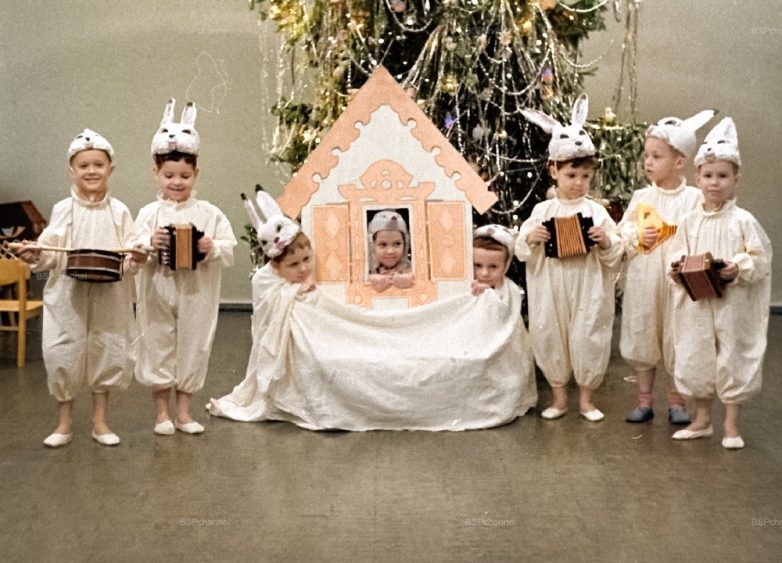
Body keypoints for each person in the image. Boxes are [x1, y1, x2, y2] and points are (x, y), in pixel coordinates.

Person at [16, 129, 145, 447]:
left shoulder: (120, 211)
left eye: (98, 165)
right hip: (68, 294)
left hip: (109, 294)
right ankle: (64, 423)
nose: (91, 171)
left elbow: (131, 254)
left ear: (110, 169)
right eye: (84, 165)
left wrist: (136, 257)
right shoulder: (63, 209)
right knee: (62, 351)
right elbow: (50, 254)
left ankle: (100, 422)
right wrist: (35, 254)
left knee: (107, 348)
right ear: (71, 170)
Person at [516, 95, 623, 422]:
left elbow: (616, 250)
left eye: (585, 176)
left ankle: (587, 400)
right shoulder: (543, 210)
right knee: (551, 334)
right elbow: (521, 247)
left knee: (588, 334)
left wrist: (605, 241)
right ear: (554, 170)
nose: (579, 183)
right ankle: (560, 398)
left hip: (587, 285)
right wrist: (532, 238)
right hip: (551, 286)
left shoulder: (596, 211)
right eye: (572, 175)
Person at [133, 100, 236, 436]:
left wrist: (210, 247)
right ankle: (161, 413)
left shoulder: (209, 213)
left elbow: (228, 247)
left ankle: (184, 412)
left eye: (184, 176)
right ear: (156, 173)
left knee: (194, 343)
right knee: (158, 343)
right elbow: (132, 250)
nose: (176, 182)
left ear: (196, 174)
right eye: (169, 176)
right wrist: (149, 243)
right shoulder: (148, 214)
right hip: (158, 289)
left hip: (196, 291)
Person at [668, 117, 771, 449]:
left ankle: (730, 425)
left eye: (723, 176)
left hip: (731, 304)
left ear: (736, 180)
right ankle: (701, 420)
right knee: (698, 354)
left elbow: (760, 257)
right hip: (698, 303)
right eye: (709, 175)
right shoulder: (689, 221)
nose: (715, 183)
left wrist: (737, 267)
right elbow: (677, 253)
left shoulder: (743, 221)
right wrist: (677, 268)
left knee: (731, 355)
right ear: (698, 178)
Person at [618, 110, 715, 424]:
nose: (648, 162)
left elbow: (704, 231)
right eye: (646, 155)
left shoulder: (694, 199)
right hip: (645, 278)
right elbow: (622, 231)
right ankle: (644, 399)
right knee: (643, 333)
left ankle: (677, 401)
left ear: (679, 161)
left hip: (678, 281)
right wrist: (636, 236)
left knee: (678, 336)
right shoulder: (642, 197)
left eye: (656, 156)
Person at [367, 209, 414, 292]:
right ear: (372, 246)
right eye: (383, 244)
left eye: (397, 244)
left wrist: (408, 280)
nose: (390, 251)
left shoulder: (412, 269)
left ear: (405, 244)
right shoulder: (366, 270)